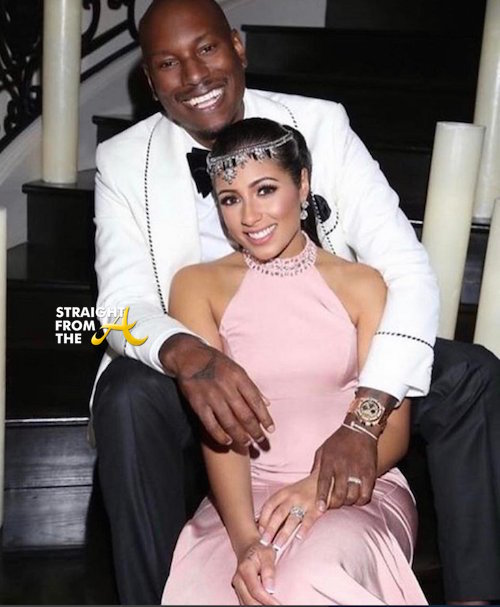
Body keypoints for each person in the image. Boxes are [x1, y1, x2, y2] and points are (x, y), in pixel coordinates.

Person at [91, 0, 500, 603]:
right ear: (151, 82)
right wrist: (191, 355)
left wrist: (364, 417)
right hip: (197, 354)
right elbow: (115, 309)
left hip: (332, 342)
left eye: (207, 49)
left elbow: (406, 268)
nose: (195, 75)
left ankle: (477, 595)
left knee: (472, 374)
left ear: (237, 47)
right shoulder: (122, 160)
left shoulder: (320, 124)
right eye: (169, 64)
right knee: (127, 395)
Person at [161, 116, 427, 605]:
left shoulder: (363, 285)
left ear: (302, 185)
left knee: (306, 579)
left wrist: (313, 492)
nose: (250, 216)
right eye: (230, 199)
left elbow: (393, 431)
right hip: (242, 500)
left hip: (355, 490)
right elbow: (221, 430)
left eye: (265, 190)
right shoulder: (197, 287)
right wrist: (246, 542)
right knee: (230, 586)